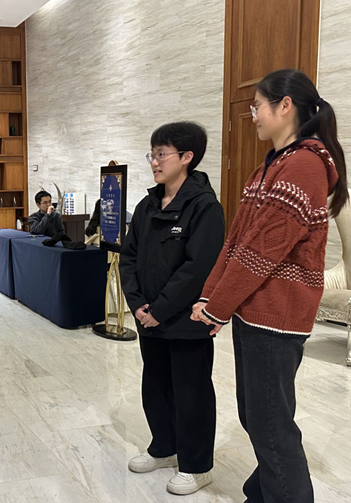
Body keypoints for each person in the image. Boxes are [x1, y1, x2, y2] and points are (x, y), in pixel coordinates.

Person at [192, 68, 348, 503]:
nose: (253, 114)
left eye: (258, 105)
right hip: (255, 309)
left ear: (285, 106)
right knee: (257, 415)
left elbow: (262, 252)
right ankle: (262, 493)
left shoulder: (305, 165)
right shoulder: (271, 165)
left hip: (278, 313)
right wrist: (211, 296)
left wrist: (218, 307)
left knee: (271, 423)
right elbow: (237, 242)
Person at [119, 122, 225, 495]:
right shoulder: (147, 205)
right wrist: (137, 305)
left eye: (161, 154)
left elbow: (197, 269)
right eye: (152, 154)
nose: (154, 161)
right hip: (148, 318)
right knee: (156, 385)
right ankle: (164, 447)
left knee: (191, 392)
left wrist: (160, 309)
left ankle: (197, 466)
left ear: (187, 157)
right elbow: (128, 257)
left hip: (185, 320)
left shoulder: (205, 207)